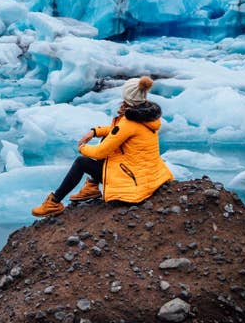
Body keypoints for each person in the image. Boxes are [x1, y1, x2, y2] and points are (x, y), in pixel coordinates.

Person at [31, 76, 173, 217]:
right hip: (146, 174)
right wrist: (95, 131)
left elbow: (100, 152)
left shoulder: (128, 123)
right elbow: (117, 131)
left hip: (133, 181)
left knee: (81, 162)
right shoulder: (146, 116)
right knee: (106, 138)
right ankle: (92, 186)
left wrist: (82, 147)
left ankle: (53, 203)